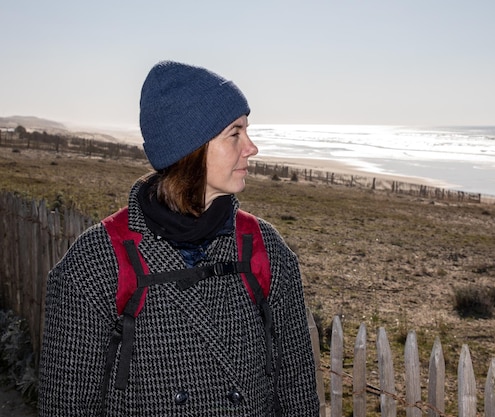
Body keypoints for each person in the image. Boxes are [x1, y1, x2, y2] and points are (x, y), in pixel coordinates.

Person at [38, 60, 320, 416]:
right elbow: (67, 405)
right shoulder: (96, 261)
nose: (251, 147)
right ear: (192, 148)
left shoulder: (264, 248)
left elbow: (297, 390)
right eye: (235, 133)